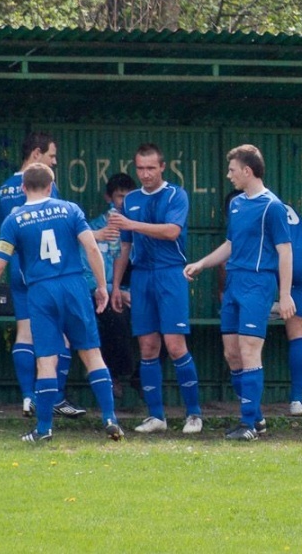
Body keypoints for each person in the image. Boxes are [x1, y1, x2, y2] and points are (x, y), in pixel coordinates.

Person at [0, 163, 123, 443]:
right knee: (92, 354)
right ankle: (110, 419)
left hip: (40, 290)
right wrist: (100, 286)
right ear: (51, 185)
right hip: (73, 285)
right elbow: (92, 247)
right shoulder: (70, 210)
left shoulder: (15, 219)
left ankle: (44, 429)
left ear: (23, 188)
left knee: (46, 360)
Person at [184, 144, 296, 441]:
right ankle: (256, 418)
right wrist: (202, 264)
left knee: (249, 350)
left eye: (232, 169)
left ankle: (247, 424)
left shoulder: (272, 206)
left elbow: (285, 251)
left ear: (248, 171)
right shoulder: (236, 204)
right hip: (234, 283)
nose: (229, 175)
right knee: (232, 353)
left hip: (258, 284)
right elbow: (231, 245)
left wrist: (284, 295)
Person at [108, 143, 203, 434]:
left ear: (162, 167)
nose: (145, 174)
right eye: (140, 168)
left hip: (170, 274)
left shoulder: (176, 194)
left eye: (151, 168)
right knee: (147, 347)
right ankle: (157, 416)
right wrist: (115, 286)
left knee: (175, 346)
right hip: (142, 277)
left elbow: (171, 231)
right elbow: (124, 247)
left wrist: (132, 224)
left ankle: (194, 414)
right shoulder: (131, 199)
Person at [0, 132, 86, 419]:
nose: (54, 162)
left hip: (17, 267)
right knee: (63, 338)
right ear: (36, 154)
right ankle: (55, 397)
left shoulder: (3, 189)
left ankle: (27, 398)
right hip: (45, 272)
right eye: (51, 156)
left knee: (24, 333)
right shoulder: (47, 187)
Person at [221, 189, 302, 420]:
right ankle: (297, 400)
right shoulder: (278, 202)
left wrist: (225, 292)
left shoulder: (249, 208)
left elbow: (234, 254)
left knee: (248, 343)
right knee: (298, 331)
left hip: (273, 264)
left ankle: (252, 412)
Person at [83, 172, 138, 399]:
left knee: (168, 319)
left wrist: (129, 292)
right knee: (115, 313)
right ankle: (114, 376)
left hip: (134, 292)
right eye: (119, 197)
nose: (123, 203)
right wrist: (115, 291)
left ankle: (141, 376)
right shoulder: (93, 229)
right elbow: (86, 275)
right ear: (109, 198)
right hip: (99, 293)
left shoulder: (139, 228)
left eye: (129, 197)